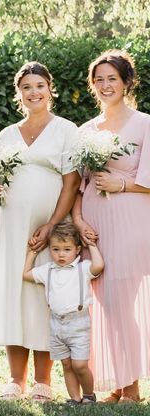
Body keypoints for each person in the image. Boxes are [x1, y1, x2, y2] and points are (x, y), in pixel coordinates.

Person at [0, 62, 79, 401]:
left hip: (47, 229)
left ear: (50, 89)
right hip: (10, 226)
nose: (33, 92)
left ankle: (43, 381)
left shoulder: (67, 130)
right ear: (18, 92)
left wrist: (52, 225)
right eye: (27, 87)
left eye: (39, 85)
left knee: (43, 296)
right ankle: (15, 379)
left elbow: (71, 182)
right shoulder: (8, 134)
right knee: (13, 292)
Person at [72, 49, 150, 403]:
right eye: (99, 79)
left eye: (112, 79)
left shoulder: (145, 124)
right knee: (103, 304)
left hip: (131, 217)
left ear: (126, 83)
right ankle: (118, 383)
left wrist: (120, 185)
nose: (105, 85)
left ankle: (131, 387)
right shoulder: (86, 130)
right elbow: (78, 184)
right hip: (94, 222)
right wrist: (77, 219)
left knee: (122, 301)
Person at [23, 221, 104, 405]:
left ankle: (89, 395)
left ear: (77, 249)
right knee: (66, 364)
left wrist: (91, 245)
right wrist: (33, 252)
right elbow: (26, 274)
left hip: (78, 324)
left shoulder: (83, 268)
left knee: (80, 365)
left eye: (66, 249)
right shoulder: (48, 270)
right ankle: (75, 398)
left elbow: (98, 266)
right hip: (56, 324)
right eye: (56, 249)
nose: (60, 254)